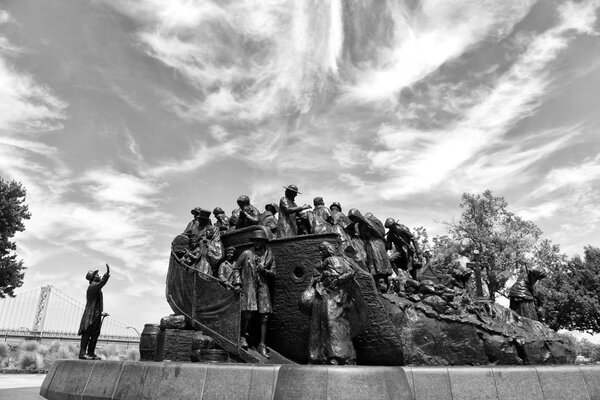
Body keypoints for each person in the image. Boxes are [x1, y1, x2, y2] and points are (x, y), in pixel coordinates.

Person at [306, 241, 356, 365]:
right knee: (327, 323)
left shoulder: (329, 260)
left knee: (330, 323)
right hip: (333, 295)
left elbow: (348, 274)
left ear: (328, 250)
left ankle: (337, 355)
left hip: (333, 296)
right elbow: (350, 273)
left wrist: (336, 280)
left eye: (322, 250)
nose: (320, 252)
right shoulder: (341, 261)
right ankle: (330, 355)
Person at [233, 229, 276, 358]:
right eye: (255, 241)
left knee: (265, 316)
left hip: (263, 287)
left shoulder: (269, 256)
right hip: (249, 286)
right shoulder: (246, 253)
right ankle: (242, 337)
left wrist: (265, 271)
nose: (257, 243)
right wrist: (238, 283)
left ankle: (262, 345)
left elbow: (274, 273)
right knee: (247, 314)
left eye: (259, 241)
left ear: (263, 242)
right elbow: (236, 268)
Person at [78, 264, 110, 360]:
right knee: (87, 334)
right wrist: (107, 274)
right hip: (90, 316)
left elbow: (95, 304)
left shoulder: (96, 288)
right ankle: (82, 353)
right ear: (92, 278)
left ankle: (91, 353)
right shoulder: (93, 287)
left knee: (95, 334)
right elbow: (102, 283)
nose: (99, 276)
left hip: (96, 315)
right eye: (97, 275)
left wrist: (100, 313)